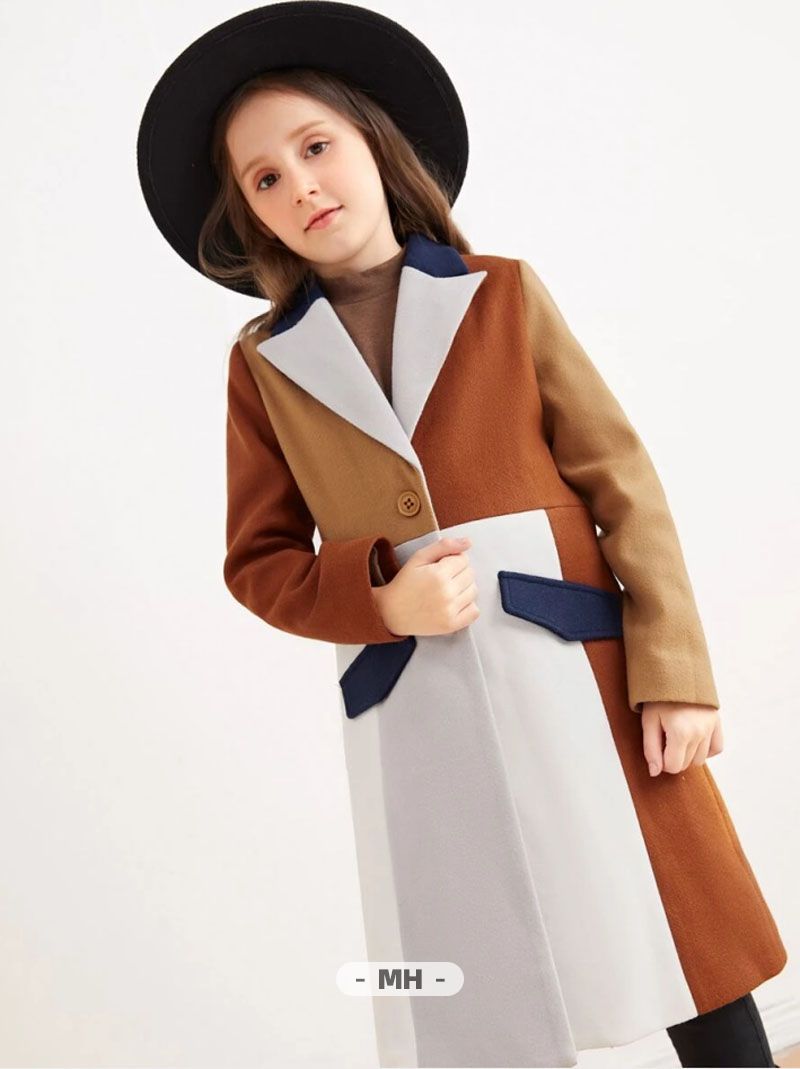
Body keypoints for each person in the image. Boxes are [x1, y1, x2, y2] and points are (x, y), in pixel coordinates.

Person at [136, 4, 787, 1066]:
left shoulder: (503, 295)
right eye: (265, 178)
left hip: (579, 668)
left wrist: (675, 672)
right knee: (471, 987)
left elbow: (623, 484)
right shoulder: (262, 367)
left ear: (373, 144)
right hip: (417, 702)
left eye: (315, 147)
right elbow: (256, 561)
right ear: (250, 215)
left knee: (677, 934)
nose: (300, 186)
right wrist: (378, 599)